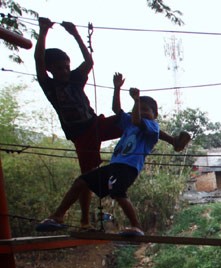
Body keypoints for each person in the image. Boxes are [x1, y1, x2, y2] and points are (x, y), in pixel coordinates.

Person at [34, 17, 190, 230]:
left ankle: (173, 141)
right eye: (59, 68)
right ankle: (84, 221)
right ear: (51, 69)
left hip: (94, 125)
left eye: (66, 67)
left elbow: (89, 63)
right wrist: (43, 32)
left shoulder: (75, 78)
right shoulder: (49, 85)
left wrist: (77, 35)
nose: (63, 71)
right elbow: (39, 61)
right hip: (80, 135)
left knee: (134, 122)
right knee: (86, 177)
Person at [36, 73, 159, 236]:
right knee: (81, 182)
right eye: (138, 109)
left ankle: (137, 226)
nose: (141, 112)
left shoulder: (152, 127)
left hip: (128, 168)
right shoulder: (128, 124)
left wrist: (136, 101)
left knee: (117, 192)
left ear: (154, 114)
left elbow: (138, 121)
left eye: (146, 110)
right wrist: (117, 88)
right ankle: (58, 216)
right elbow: (117, 110)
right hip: (114, 166)